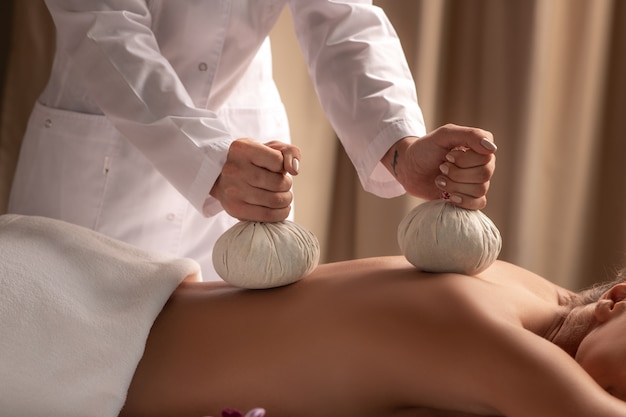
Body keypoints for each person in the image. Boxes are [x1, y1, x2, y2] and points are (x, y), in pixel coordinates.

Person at [7, 1, 497, 281]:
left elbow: (341, 16)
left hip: (249, 171)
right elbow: (103, 28)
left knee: (233, 381)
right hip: (102, 164)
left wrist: (401, 147)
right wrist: (209, 162)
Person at [2, 213, 626, 417]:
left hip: (90, 293)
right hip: (53, 336)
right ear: (619, 302)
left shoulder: (529, 293)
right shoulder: (492, 334)